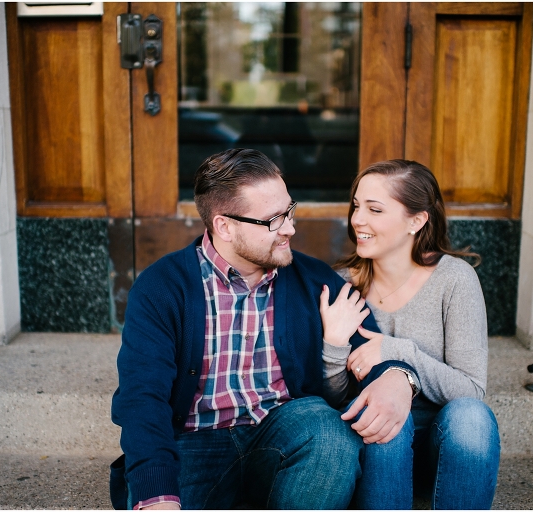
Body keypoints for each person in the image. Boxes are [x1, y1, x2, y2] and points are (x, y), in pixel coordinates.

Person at [110, 149, 420, 510]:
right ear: (224, 225)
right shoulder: (162, 287)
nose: (289, 228)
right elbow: (141, 396)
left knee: (329, 430)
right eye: (273, 220)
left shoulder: (313, 280)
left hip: (281, 436)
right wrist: (156, 496)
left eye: (289, 210)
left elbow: (372, 349)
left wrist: (400, 377)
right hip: (192, 445)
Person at [323, 159, 501, 509]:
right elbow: (331, 397)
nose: (358, 219)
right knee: (387, 416)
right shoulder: (342, 285)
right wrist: (334, 346)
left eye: (374, 209)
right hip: (375, 445)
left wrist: (395, 352)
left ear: (416, 221)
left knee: (472, 418)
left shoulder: (455, 280)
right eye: (357, 206)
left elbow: (471, 389)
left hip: (442, 442)